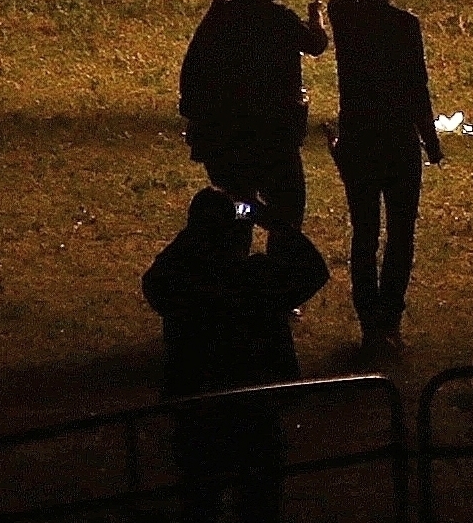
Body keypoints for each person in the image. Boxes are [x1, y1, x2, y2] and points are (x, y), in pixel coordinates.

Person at [140, 189, 330, 523]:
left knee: (200, 503)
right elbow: (314, 270)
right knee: (259, 504)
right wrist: (275, 223)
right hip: (257, 412)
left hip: (198, 412)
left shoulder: (180, 284)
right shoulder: (259, 280)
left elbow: (155, 279)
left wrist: (196, 233)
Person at [326, 0, 439, 345]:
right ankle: (389, 318)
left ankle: (369, 319)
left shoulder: (344, 17)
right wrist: (431, 139)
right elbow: (416, 88)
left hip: (358, 137)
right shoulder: (404, 25)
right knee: (400, 232)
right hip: (397, 141)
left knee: (364, 232)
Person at [181, 0, 329, 231]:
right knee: (288, 207)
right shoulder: (279, 20)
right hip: (271, 139)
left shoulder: (219, 19)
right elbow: (316, 44)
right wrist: (317, 20)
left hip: (228, 139)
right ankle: (274, 249)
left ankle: (246, 223)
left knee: (239, 206)